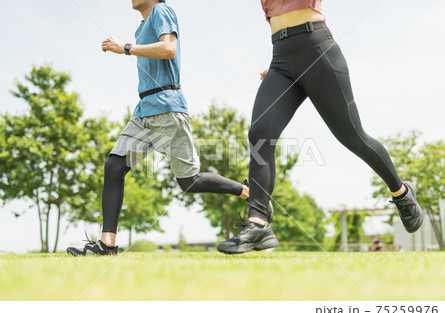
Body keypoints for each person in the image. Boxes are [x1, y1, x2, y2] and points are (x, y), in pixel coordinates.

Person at [217, 0, 423, 254]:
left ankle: (401, 192)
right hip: (281, 58)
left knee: (352, 137)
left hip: (317, 49)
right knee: (260, 134)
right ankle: (258, 223)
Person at [67, 0, 258, 256]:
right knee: (115, 165)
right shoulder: (142, 26)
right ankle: (107, 244)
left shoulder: (161, 10)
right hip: (144, 110)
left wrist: (124, 48)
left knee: (190, 182)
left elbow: (169, 49)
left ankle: (248, 192)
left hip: (168, 107)